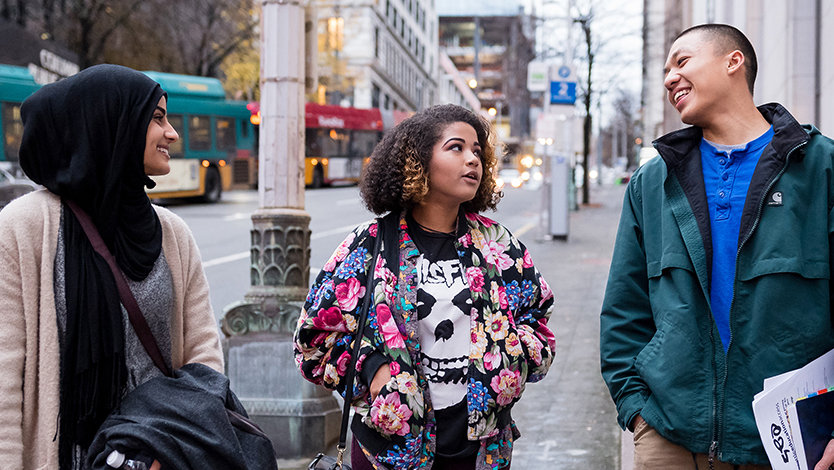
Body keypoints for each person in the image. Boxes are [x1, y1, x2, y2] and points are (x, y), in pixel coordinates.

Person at [600, 23, 834, 469]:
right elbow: (623, 307)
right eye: (666, 69)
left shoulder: (820, 167)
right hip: (668, 431)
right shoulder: (652, 183)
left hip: (792, 439)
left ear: (733, 62)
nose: (669, 77)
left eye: (682, 61)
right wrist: (636, 411)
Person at [294, 104, 555, 470]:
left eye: (477, 151)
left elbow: (538, 321)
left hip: (482, 450)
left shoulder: (499, 244)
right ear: (418, 161)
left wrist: (510, 362)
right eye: (456, 148)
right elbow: (313, 340)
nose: (472, 160)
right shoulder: (370, 244)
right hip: (388, 451)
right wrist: (373, 369)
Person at [0, 64, 224, 470]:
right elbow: (3, 378)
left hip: (159, 458)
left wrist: (166, 447)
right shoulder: (24, 228)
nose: (172, 133)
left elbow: (203, 358)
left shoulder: (173, 233)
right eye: (157, 118)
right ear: (113, 125)